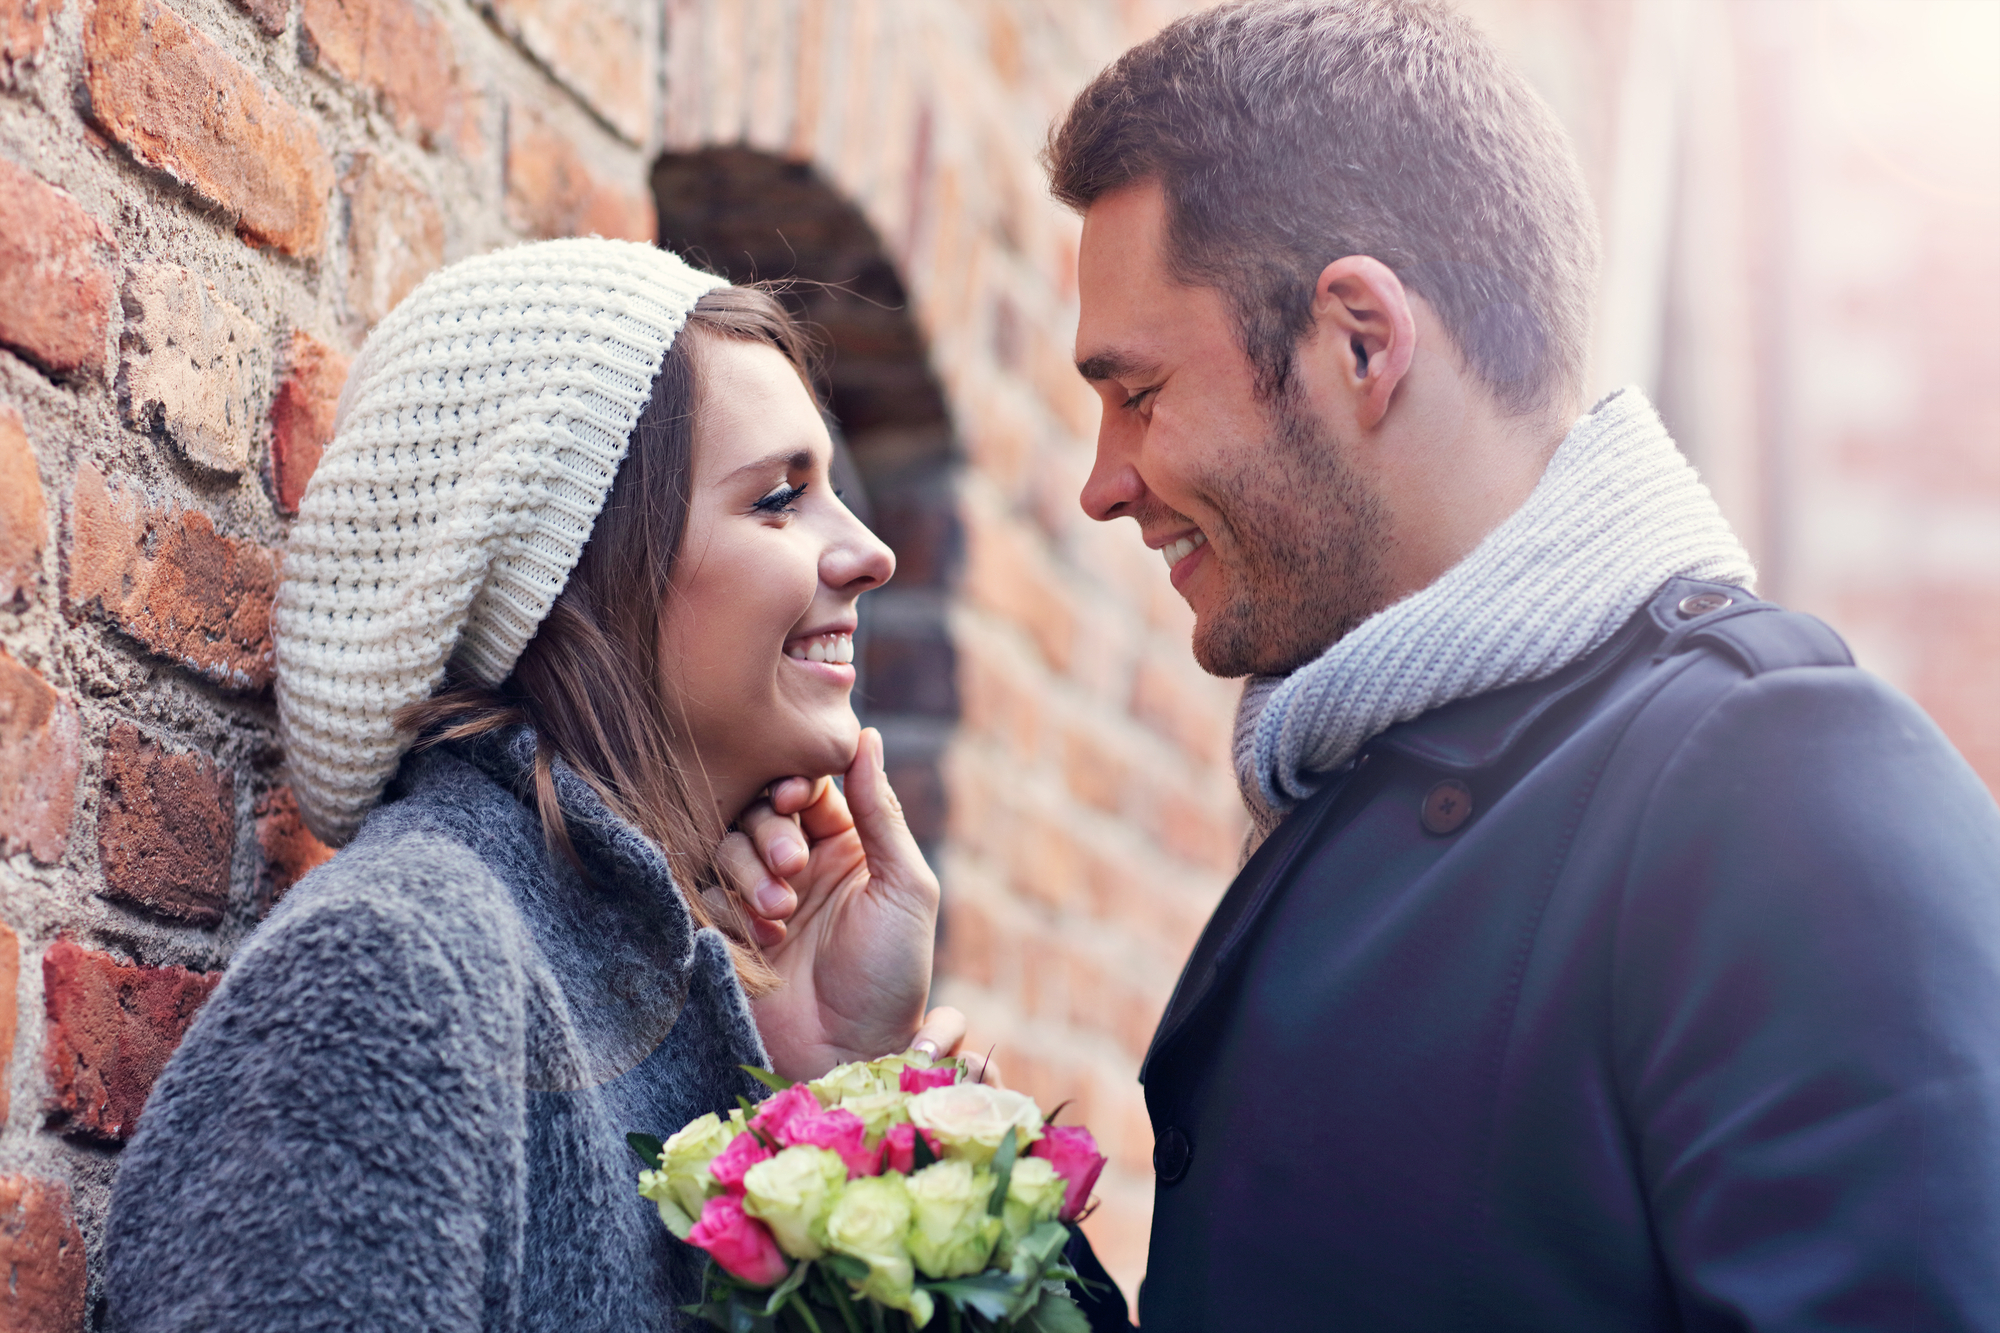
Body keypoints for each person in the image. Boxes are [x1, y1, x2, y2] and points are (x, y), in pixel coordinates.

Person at [1047, 1, 2000, 1328]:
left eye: (1137, 394)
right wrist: (895, 1141)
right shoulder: (1349, 781)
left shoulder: (1775, 779)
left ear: (1361, 341)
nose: (1102, 484)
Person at [103, 239, 968, 1331]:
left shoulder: (667, 995)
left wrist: (832, 1091)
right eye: (780, 498)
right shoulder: (398, 970)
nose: (872, 552)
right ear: (571, 571)